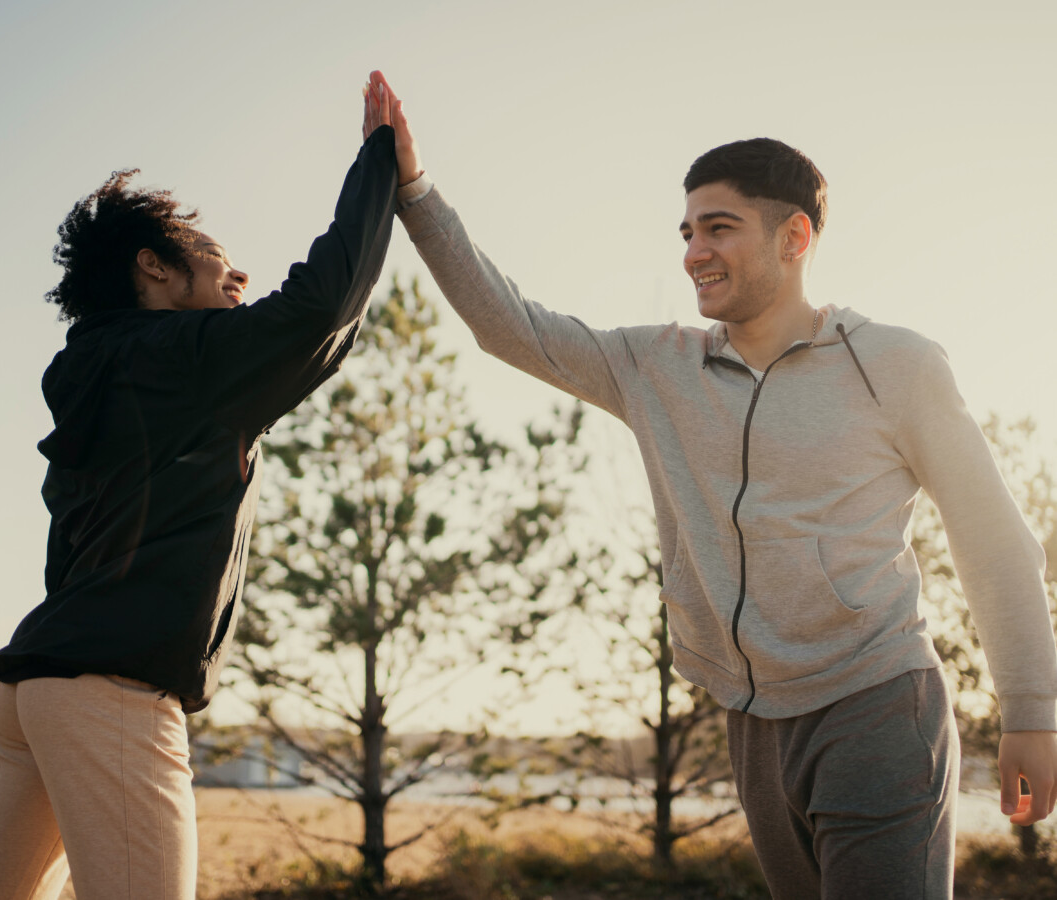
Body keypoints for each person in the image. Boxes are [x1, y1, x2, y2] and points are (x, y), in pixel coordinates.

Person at [371, 70, 1057, 899]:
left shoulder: (895, 365)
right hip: (750, 719)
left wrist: (1030, 706)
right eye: (688, 231)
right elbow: (507, 325)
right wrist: (414, 191)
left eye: (719, 228)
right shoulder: (657, 368)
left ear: (794, 238)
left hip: (876, 702)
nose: (694, 252)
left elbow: (990, 533)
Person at [0, 86, 399, 900]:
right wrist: (381, 164)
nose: (238, 270)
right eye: (212, 252)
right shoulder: (180, 361)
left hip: (36, 693)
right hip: (109, 694)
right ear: (153, 268)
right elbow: (321, 308)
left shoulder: (96, 373)